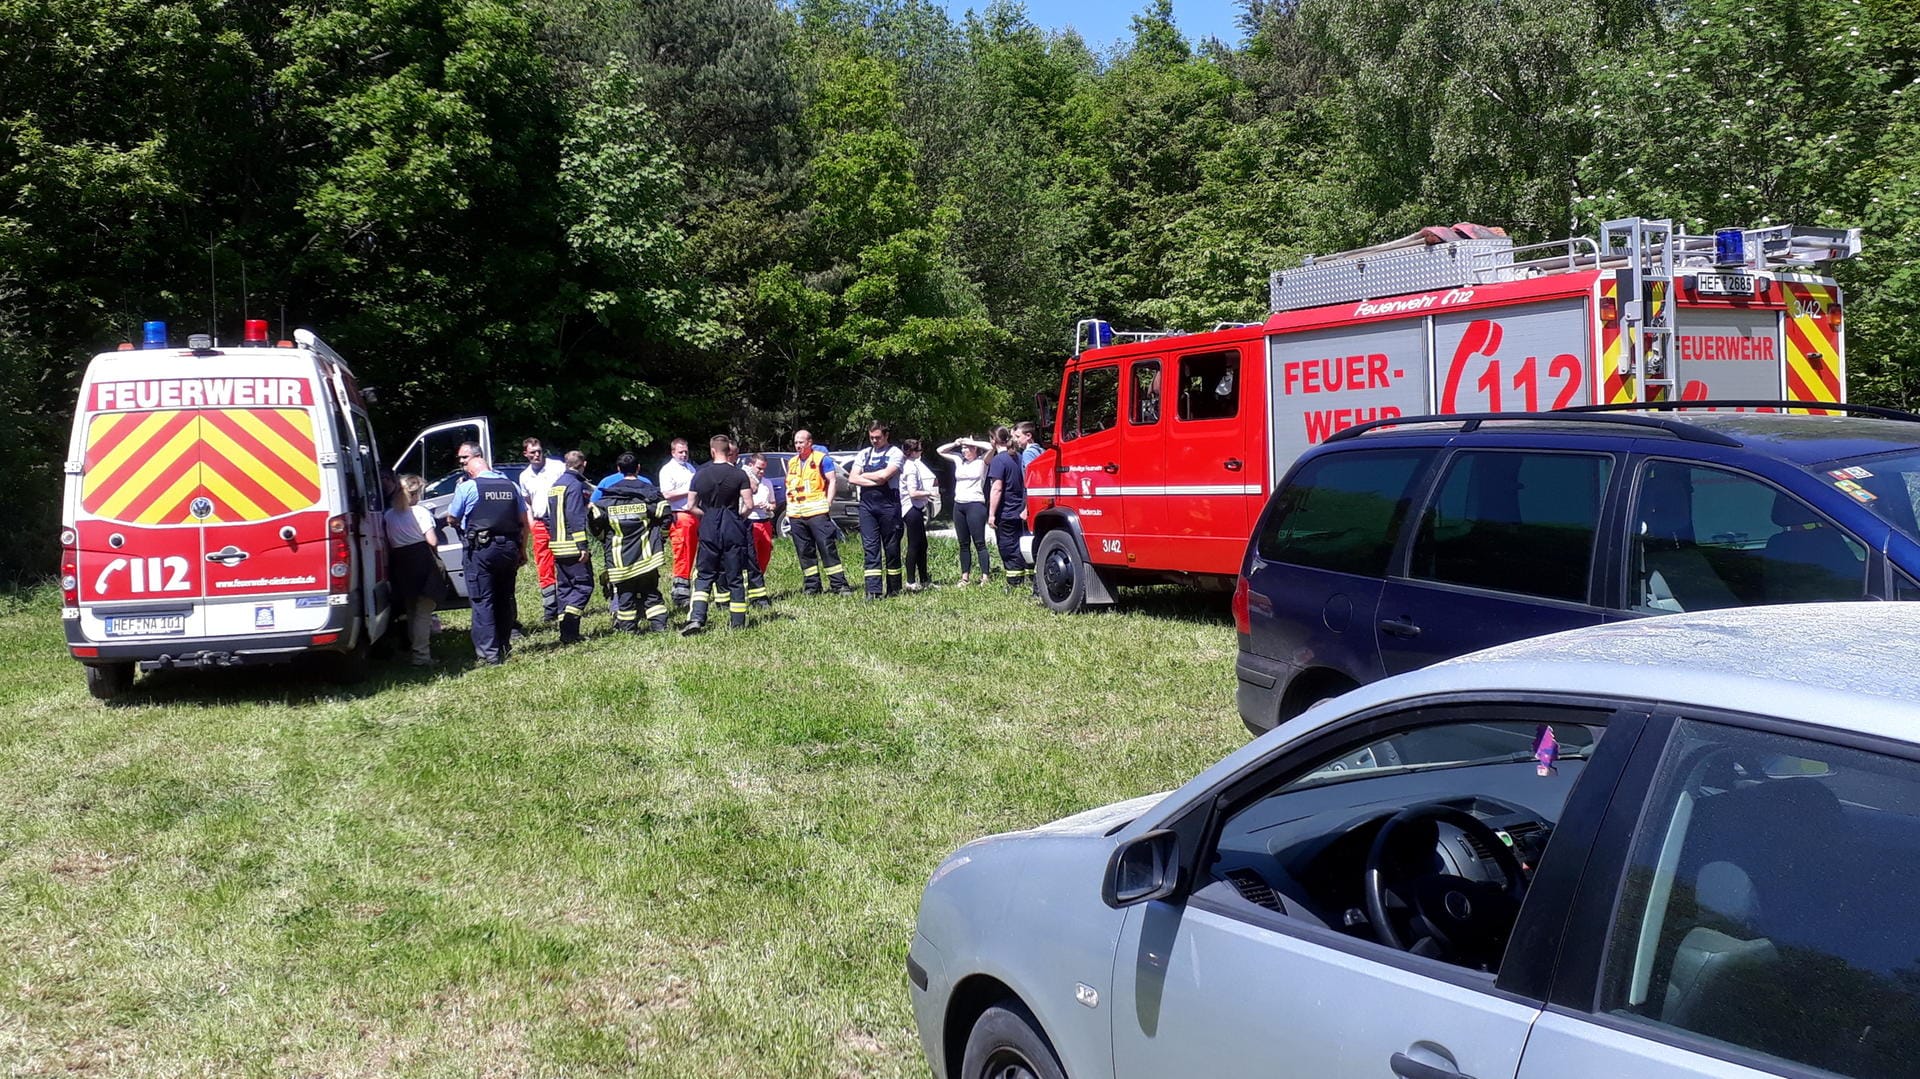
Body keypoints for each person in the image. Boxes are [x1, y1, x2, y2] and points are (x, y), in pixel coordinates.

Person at [444, 443, 531, 664]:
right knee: (504, 597)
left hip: (482, 550)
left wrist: (457, 525)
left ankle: (488, 654)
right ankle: (504, 645)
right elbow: (524, 522)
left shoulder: (468, 487)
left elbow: (452, 517)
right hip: (509, 548)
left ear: (473, 470)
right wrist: (522, 549)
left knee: (483, 600)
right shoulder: (511, 486)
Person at [590, 455, 673, 634]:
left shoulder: (608, 494)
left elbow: (594, 519)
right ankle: (660, 627)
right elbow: (666, 514)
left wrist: (603, 537)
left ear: (619, 469)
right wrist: (661, 537)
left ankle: (628, 630)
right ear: (638, 468)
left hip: (619, 559)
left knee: (625, 595)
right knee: (651, 592)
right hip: (647, 556)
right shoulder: (650, 492)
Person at [683, 434, 756, 634]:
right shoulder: (740, 475)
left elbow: (690, 506)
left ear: (712, 450)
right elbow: (749, 505)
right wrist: (737, 516)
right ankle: (738, 623)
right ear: (728, 451)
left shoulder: (699, 475)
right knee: (735, 577)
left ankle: (697, 617)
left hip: (709, 526)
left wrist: (707, 516)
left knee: (705, 575)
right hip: (732, 525)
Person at [383, 473, 449, 667]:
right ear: (416, 492)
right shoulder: (420, 512)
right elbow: (432, 541)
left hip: (400, 562)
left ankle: (413, 650)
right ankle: (421, 656)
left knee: (411, 610)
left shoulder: (389, 515)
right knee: (423, 611)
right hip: (421, 560)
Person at [783, 430, 853, 595]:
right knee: (804, 551)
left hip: (817, 512)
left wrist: (828, 503)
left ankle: (839, 585)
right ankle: (812, 586)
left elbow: (832, 480)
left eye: (801, 442)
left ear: (809, 442)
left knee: (827, 548)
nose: (798, 445)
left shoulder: (821, 459)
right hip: (796, 514)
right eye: (796, 443)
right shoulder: (792, 462)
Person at [542, 450, 595, 644]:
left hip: (557, 545)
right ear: (583, 465)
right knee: (584, 586)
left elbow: (547, 517)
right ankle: (570, 627)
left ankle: (566, 634)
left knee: (565, 588)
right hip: (573, 546)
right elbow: (575, 516)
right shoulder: (576, 485)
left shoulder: (556, 485)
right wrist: (582, 545)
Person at [848, 421, 905, 598]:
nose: (874, 441)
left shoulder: (895, 453)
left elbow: (885, 476)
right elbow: (852, 478)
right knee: (870, 547)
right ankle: (873, 591)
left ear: (886, 436)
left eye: (878, 437)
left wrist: (863, 475)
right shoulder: (864, 454)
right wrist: (872, 479)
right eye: (871, 437)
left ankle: (894, 589)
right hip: (867, 506)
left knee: (891, 547)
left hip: (888, 505)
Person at [516, 437, 567, 622]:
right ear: (526, 454)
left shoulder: (558, 467)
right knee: (544, 565)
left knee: (564, 560)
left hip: (559, 520)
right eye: (533, 452)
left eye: (539, 451)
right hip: (539, 522)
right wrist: (531, 525)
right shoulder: (524, 476)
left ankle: (567, 603)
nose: (537, 455)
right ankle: (550, 608)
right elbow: (527, 504)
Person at [939, 436, 994, 586]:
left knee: (979, 542)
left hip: (975, 504)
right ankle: (965, 577)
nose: (964, 451)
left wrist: (971, 442)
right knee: (963, 543)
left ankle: (985, 577)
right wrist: (956, 443)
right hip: (959, 505)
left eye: (967, 448)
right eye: (963, 449)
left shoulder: (982, 461)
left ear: (975, 449)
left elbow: (990, 447)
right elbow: (940, 450)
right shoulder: (958, 460)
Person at [987, 426, 1032, 595]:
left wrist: (991, 514)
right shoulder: (1019, 456)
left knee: (1008, 547)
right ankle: (1030, 580)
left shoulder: (999, 460)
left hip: (1006, 512)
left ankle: (1014, 584)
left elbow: (997, 488)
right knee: (1023, 545)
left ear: (993, 440)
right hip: (1021, 510)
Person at [659, 438, 698, 607]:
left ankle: (689, 587)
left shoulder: (690, 468)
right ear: (673, 452)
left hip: (694, 514)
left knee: (692, 553)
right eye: (680, 452)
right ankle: (680, 593)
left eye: (686, 452)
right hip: (679, 515)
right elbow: (666, 494)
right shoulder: (668, 470)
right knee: (682, 553)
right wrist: (688, 491)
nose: (684, 455)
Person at [899, 439, 938, 591]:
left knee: (923, 544)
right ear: (912, 452)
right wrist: (930, 493)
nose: (921, 453)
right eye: (919, 450)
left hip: (915, 507)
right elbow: (913, 492)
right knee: (914, 545)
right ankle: (910, 581)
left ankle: (924, 579)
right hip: (911, 508)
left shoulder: (910, 465)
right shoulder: (910, 468)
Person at [743, 452, 778, 578]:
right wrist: (752, 504)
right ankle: (750, 578)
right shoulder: (744, 481)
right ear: (751, 465)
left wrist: (769, 506)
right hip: (751, 521)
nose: (762, 471)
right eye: (759, 468)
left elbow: (774, 503)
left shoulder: (767, 483)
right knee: (751, 554)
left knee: (765, 552)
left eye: (764, 468)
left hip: (765, 521)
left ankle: (759, 578)